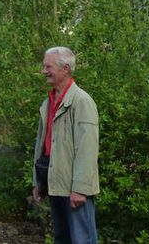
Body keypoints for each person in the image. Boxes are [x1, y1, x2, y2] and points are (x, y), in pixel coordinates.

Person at [32, 46, 99, 244]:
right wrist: (38, 182)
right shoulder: (49, 101)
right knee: (62, 239)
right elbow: (42, 146)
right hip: (55, 183)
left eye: (48, 66)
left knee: (82, 240)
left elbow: (87, 148)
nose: (44, 71)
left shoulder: (81, 101)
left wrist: (80, 188)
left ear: (66, 68)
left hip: (75, 188)